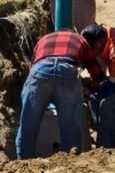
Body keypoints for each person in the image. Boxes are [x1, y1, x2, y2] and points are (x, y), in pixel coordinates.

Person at [15, 29, 97, 159]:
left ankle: (22, 162)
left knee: (28, 123)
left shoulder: (44, 39)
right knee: (70, 125)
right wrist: (91, 87)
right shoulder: (82, 40)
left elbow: (32, 66)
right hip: (67, 71)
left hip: (40, 70)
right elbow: (95, 71)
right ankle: (71, 162)